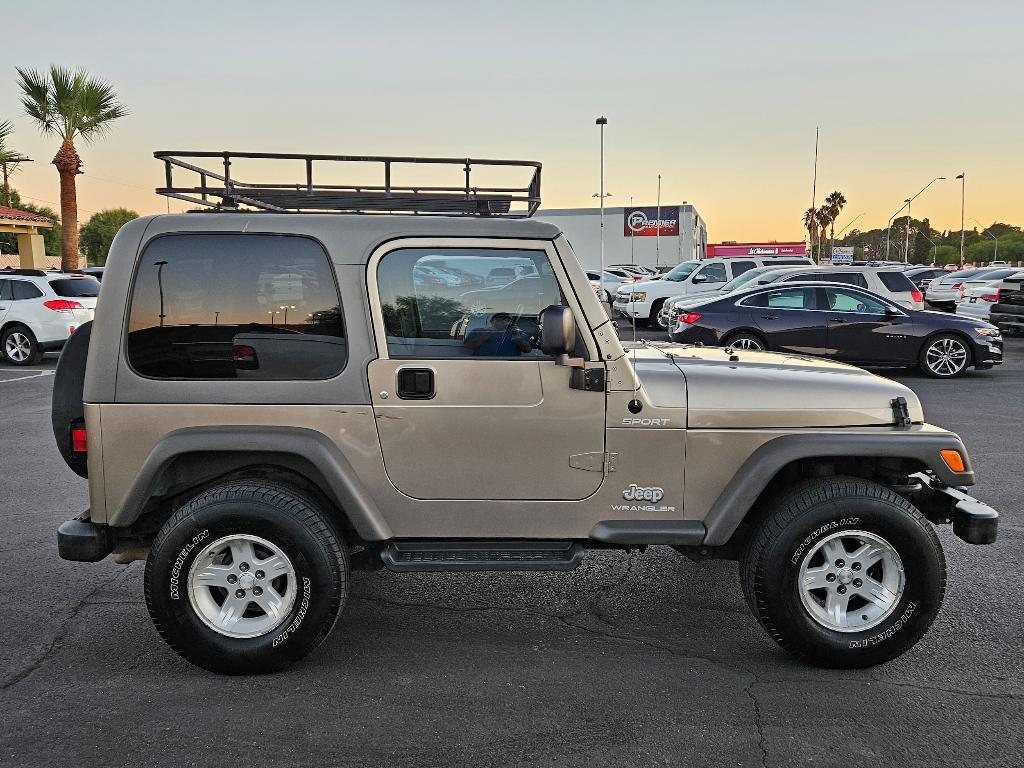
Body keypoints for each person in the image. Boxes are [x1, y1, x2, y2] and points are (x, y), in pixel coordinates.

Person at [463, 312, 532, 356]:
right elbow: (468, 346)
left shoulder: (519, 333)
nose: (502, 322)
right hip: (481, 363)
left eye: (506, 320)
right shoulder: (478, 331)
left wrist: (517, 336)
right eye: (498, 320)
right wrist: (488, 333)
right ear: (491, 321)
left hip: (511, 364)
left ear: (511, 323)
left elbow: (527, 350)